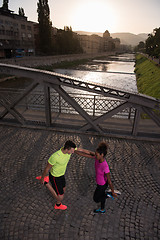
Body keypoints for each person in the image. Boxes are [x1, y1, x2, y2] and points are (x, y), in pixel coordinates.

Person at [76, 142, 117, 213]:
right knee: (102, 196)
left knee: (96, 199)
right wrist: (75, 151)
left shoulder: (105, 167)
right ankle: (102, 209)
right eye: (95, 154)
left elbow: (109, 181)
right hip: (100, 183)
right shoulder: (97, 157)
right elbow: (87, 153)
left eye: (97, 155)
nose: (95, 155)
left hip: (102, 185)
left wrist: (113, 192)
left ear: (102, 155)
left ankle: (109, 194)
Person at [39, 140, 77, 210]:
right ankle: (57, 204)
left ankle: (58, 201)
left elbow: (81, 150)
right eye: (72, 151)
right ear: (67, 149)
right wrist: (42, 178)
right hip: (55, 177)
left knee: (63, 189)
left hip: (61, 175)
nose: (73, 152)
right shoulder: (55, 156)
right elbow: (47, 168)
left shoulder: (69, 150)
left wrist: (93, 154)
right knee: (60, 197)